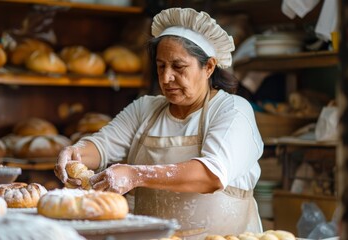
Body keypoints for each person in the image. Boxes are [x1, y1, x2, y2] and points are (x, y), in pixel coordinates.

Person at [54, 7, 264, 238]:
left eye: (178, 66)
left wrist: (136, 174)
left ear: (209, 67)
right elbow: (101, 146)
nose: (166, 78)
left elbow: (211, 176)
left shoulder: (232, 110)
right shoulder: (146, 108)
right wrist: (76, 153)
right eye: (161, 65)